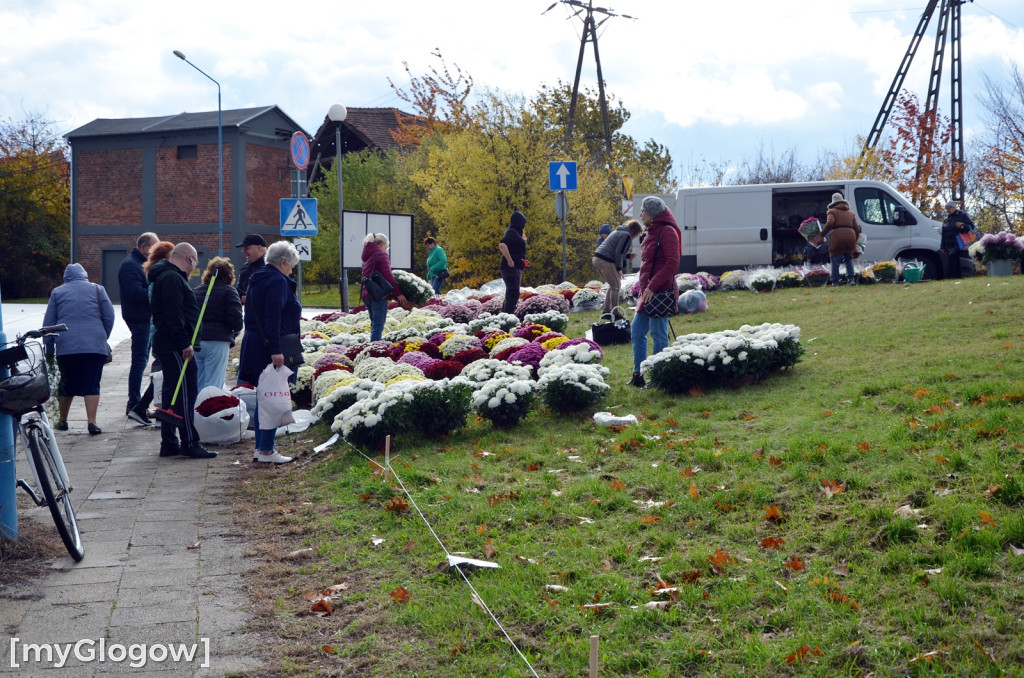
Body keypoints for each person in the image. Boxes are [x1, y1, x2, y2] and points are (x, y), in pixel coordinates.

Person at [238, 241, 303, 465]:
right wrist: (276, 350)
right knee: (272, 398)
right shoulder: (276, 281)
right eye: (291, 266)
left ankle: (262, 448)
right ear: (283, 262)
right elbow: (272, 317)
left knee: (265, 397)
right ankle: (266, 450)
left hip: (255, 343)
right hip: (269, 347)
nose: (291, 271)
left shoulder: (258, 278)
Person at [149, 242, 216, 459]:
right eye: (195, 262)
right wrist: (184, 343)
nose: (194, 266)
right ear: (189, 258)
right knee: (185, 392)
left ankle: (169, 442)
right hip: (175, 345)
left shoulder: (168, 277)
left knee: (172, 392)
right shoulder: (172, 278)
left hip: (170, 343)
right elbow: (174, 313)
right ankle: (189, 442)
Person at [42, 263, 116, 434]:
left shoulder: (57, 292)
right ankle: (92, 422)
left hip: (66, 346)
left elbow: (49, 323)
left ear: (65, 277)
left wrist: (49, 348)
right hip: (95, 346)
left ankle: (62, 420)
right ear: (85, 275)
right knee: (92, 383)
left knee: (66, 384)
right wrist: (102, 335)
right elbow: (109, 315)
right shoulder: (98, 290)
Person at [630, 197, 681, 388]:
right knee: (637, 331)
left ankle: (659, 376)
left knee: (659, 334)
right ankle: (639, 373)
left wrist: (652, 286)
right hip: (647, 293)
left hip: (660, 292)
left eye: (643, 210)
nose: (640, 214)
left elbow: (672, 263)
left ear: (652, 213)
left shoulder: (667, 231)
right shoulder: (651, 231)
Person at [118, 232, 158, 425]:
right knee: (139, 361)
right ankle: (134, 403)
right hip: (139, 319)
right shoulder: (130, 265)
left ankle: (134, 403)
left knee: (141, 360)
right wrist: (157, 291)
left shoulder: (138, 264)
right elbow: (135, 293)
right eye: (154, 247)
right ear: (144, 247)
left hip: (143, 318)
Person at [193, 257, 243, 394]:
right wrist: (236, 329)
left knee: (198, 381)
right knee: (214, 382)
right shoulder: (229, 291)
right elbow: (235, 317)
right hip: (218, 341)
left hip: (198, 341)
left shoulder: (197, 290)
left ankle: (196, 405)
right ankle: (210, 405)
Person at [360, 233, 409, 342]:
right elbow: (388, 276)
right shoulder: (381, 254)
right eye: (387, 246)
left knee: (374, 326)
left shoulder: (367, 256)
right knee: (378, 327)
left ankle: (372, 347)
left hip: (367, 294)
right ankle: (375, 350)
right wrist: (398, 293)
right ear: (382, 243)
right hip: (379, 295)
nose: (387, 249)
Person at [593, 219, 643, 314]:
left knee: (612, 285)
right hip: (605, 260)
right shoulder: (626, 235)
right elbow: (618, 252)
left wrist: (628, 256)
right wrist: (619, 268)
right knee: (616, 286)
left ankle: (607, 311)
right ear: (635, 231)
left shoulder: (618, 231)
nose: (636, 236)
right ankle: (615, 313)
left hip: (597, 258)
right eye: (637, 234)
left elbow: (617, 250)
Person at [819, 192, 861, 286]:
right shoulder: (851, 213)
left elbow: (830, 223)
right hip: (850, 237)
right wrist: (854, 242)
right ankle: (851, 279)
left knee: (835, 259)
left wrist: (822, 234)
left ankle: (835, 282)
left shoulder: (832, 211)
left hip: (837, 237)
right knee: (848, 259)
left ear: (833, 202)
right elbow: (857, 229)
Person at [499, 210, 528, 315]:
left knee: (510, 294)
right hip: (510, 268)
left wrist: (522, 262)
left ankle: (504, 316)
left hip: (515, 268)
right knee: (513, 294)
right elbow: (502, 245)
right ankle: (507, 316)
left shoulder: (515, 232)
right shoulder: (511, 232)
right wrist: (510, 260)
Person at [941, 199, 975, 279]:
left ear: (954, 207)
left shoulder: (962, 215)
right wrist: (942, 247)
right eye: (946, 208)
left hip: (958, 241)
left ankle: (950, 277)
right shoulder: (946, 220)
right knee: (954, 260)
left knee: (952, 257)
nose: (947, 210)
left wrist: (962, 225)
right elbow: (943, 234)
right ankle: (958, 277)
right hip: (948, 243)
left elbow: (971, 226)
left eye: (949, 208)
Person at [235, 233, 267, 305]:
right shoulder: (245, 267)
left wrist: (252, 298)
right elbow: (239, 290)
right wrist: (241, 296)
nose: (243, 251)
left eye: (247, 248)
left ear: (259, 248)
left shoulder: (271, 268)